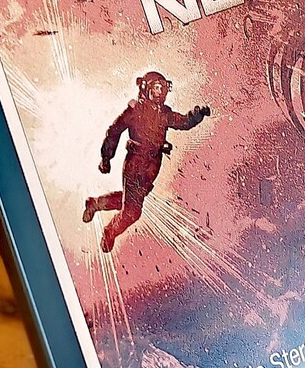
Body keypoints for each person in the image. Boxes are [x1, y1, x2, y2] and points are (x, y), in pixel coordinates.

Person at [83, 71, 210, 254]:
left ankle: (96, 203)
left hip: (152, 165)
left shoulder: (164, 113)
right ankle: (110, 231)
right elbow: (114, 131)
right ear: (145, 88)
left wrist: (197, 116)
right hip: (136, 163)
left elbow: (183, 122)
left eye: (163, 89)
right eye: (156, 88)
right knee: (132, 212)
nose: (160, 93)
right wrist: (106, 157)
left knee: (133, 201)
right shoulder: (135, 111)